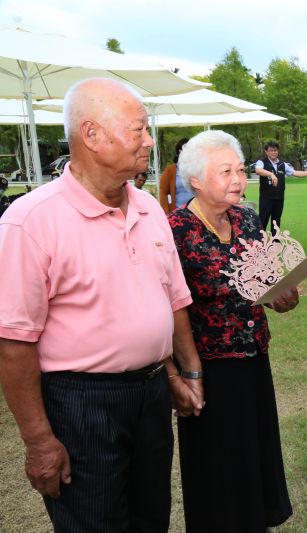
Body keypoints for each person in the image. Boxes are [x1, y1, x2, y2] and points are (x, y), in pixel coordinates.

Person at [0, 78, 204, 532]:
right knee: (94, 522)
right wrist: (38, 441)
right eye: (138, 130)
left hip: (151, 394)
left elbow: (173, 298)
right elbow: (13, 343)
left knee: (151, 518)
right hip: (81, 403)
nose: (150, 141)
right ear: (91, 135)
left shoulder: (149, 207)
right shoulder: (31, 222)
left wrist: (182, 372)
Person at [168, 130, 297, 532]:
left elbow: (261, 280)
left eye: (240, 169)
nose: (239, 179)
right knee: (219, 464)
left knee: (253, 452)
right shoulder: (175, 230)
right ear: (196, 181)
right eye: (226, 172)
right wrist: (184, 373)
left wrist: (280, 295)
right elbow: (172, 308)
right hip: (209, 367)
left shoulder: (247, 218)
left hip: (253, 356)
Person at [254, 140, 294, 234]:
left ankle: (275, 242)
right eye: (271, 150)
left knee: (276, 221)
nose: (274, 152)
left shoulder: (282, 164)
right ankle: (259, 242)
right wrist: (271, 174)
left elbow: (295, 172)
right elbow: (258, 170)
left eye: (275, 150)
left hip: (279, 198)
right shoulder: (262, 162)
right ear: (266, 151)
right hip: (266, 198)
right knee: (263, 220)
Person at [158, 137, 191, 213]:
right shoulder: (170, 170)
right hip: (177, 213)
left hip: (196, 214)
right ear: (179, 152)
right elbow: (163, 192)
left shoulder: (197, 169)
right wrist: (167, 213)